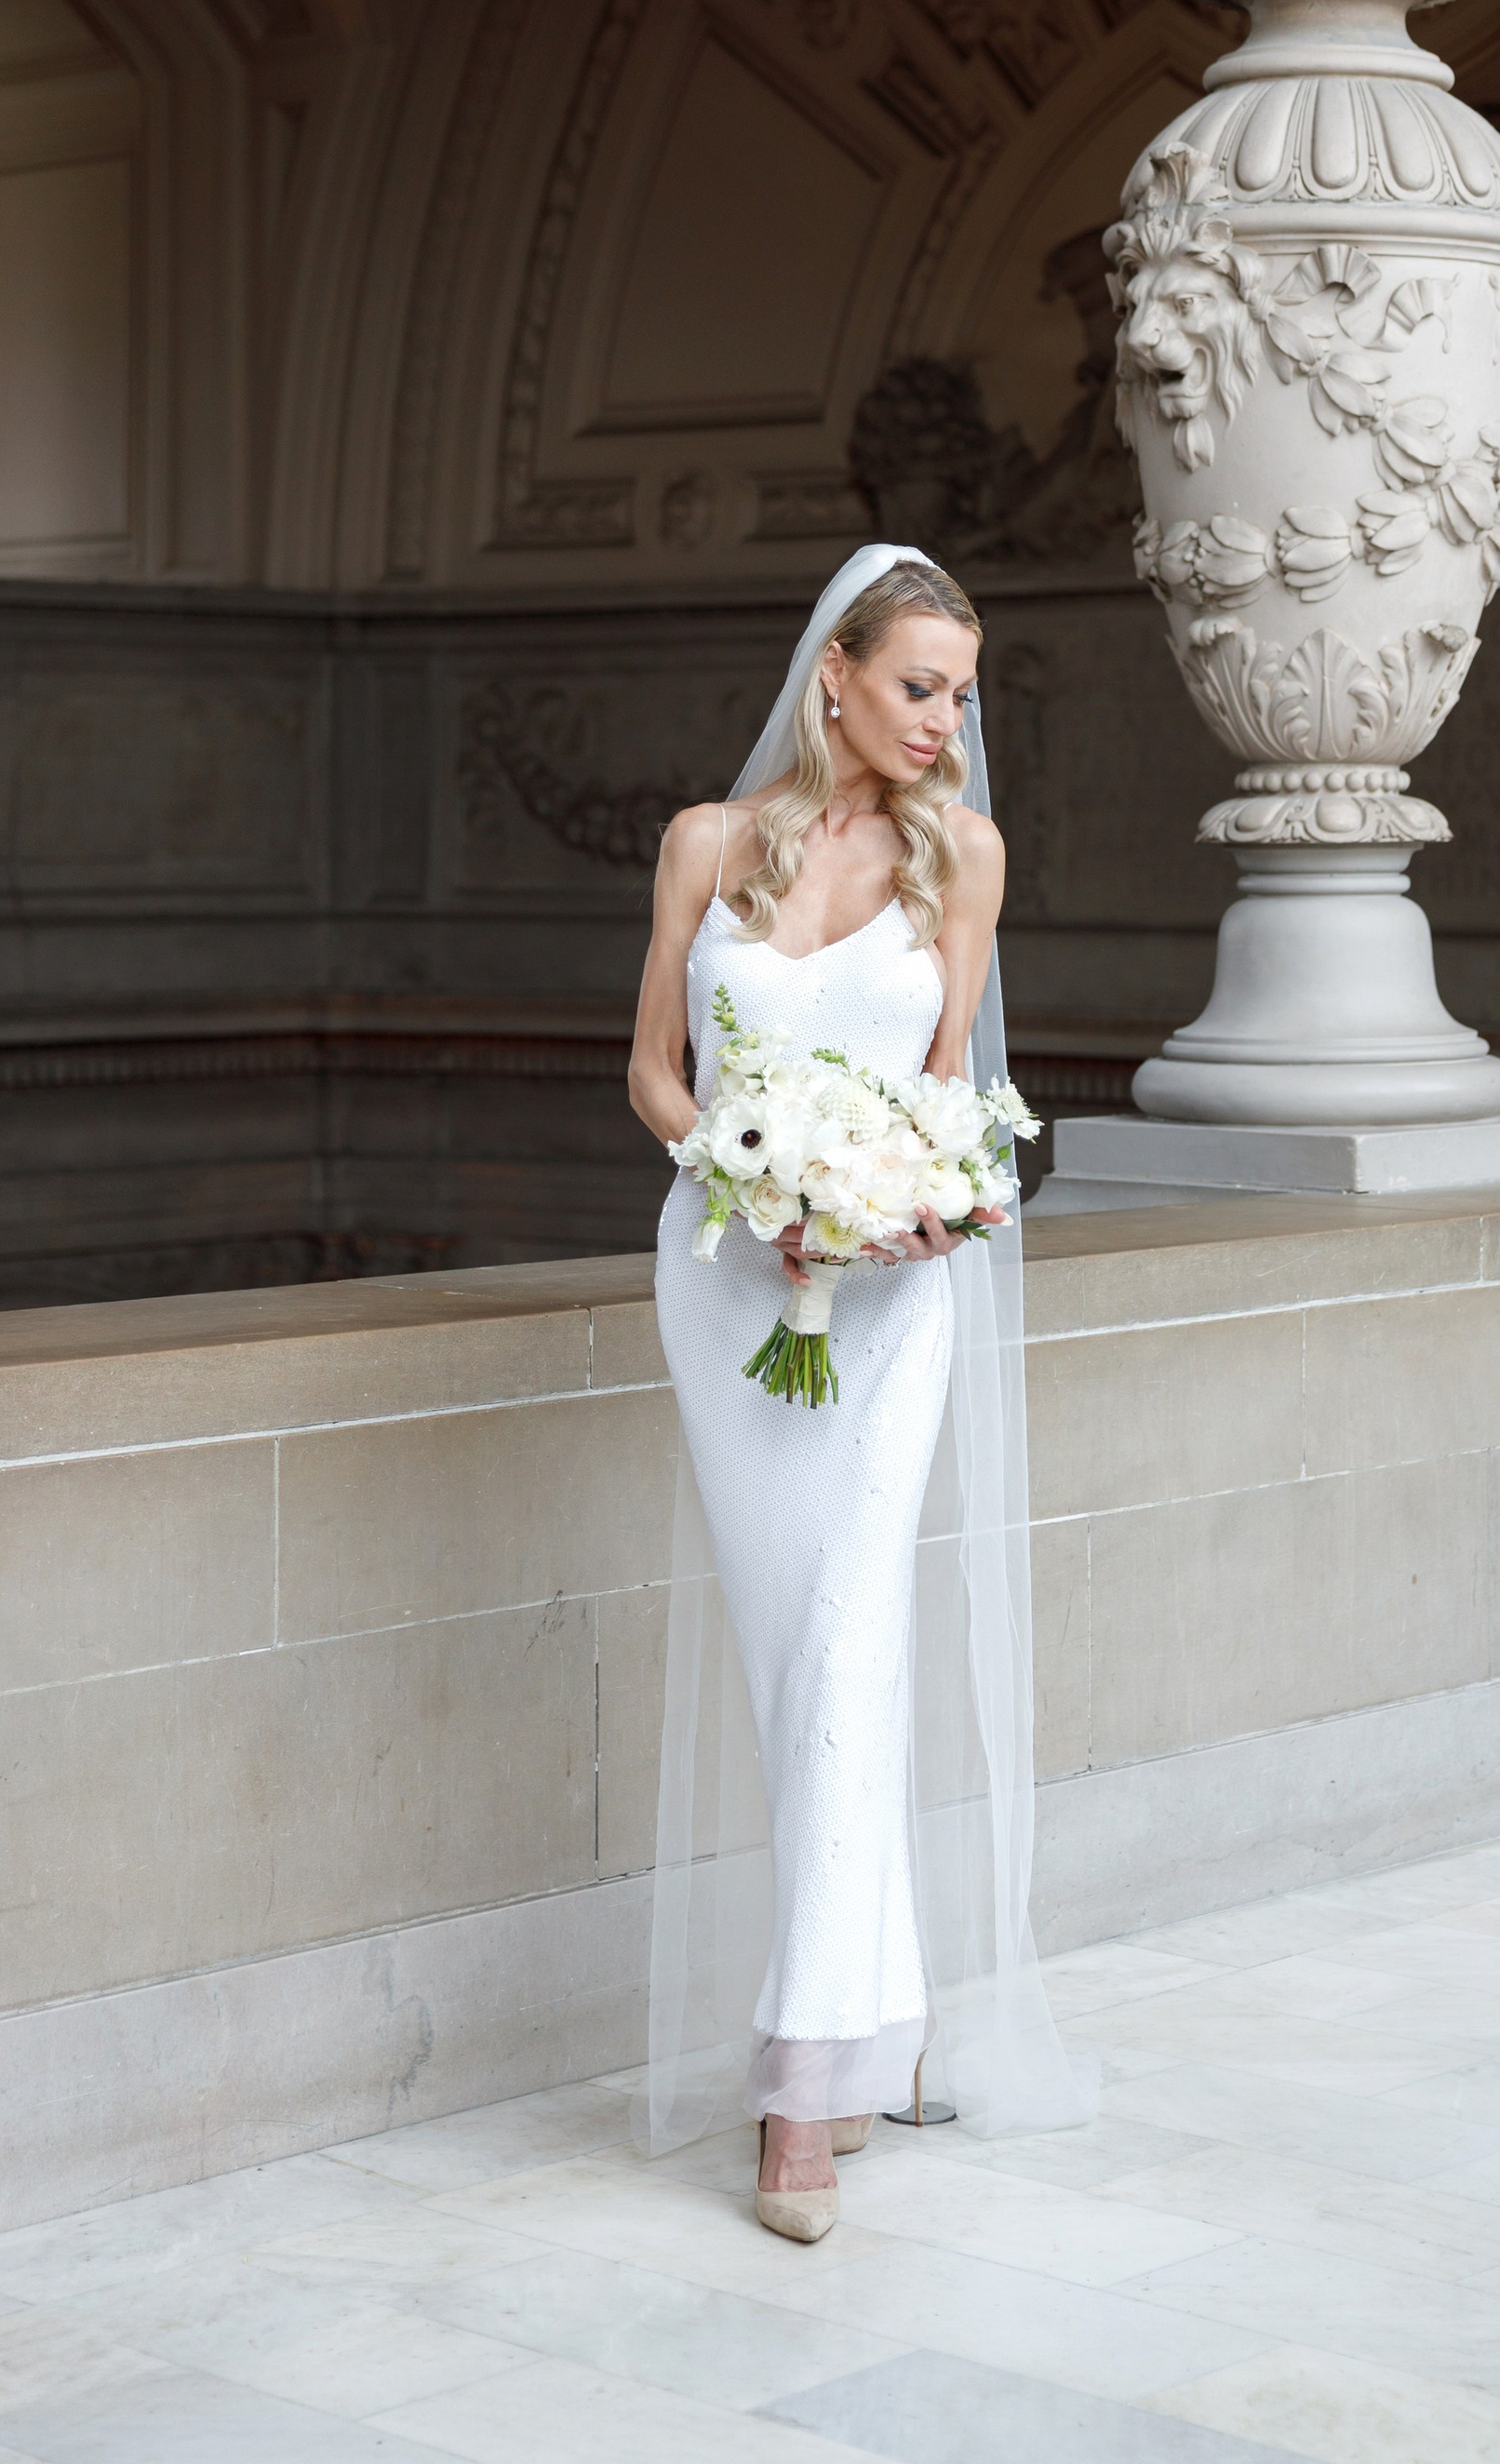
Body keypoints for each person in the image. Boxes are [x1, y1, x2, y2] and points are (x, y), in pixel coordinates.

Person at [626, 546, 1086, 2239]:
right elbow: (654, 1071)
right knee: (791, 1657)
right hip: (725, 1283)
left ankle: (799, 2086)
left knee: (848, 1641)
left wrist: (905, 1200)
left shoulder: (962, 858)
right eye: (920, 686)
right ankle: (876, 2022)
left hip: (891, 1300)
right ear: (836, 675)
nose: (945, 721)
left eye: (963, 692)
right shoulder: (705, 846)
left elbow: (958, 1090)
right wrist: (753, 1176)